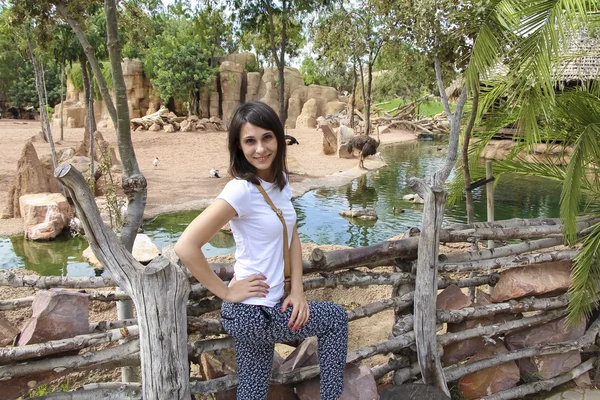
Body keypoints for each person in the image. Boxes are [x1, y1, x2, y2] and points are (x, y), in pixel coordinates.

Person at [175, 101, 348, 399]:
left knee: (253, 390)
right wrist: (226, 292)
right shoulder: (240, 190)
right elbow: (186, 246)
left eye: (267, 137)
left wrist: (298, 291)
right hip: (251, 313)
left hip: (267, 306)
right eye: (250, 141)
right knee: (335, 319)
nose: (260, 149)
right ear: (239, 147)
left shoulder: (280, 182)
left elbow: (291, 232)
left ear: (279, 139)